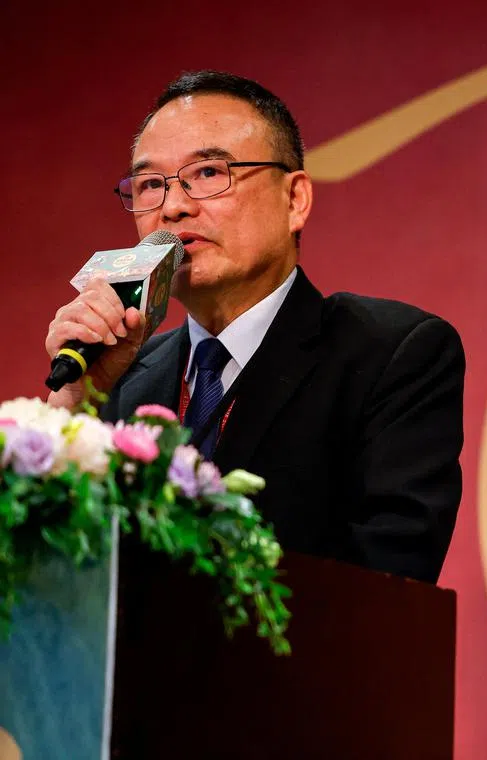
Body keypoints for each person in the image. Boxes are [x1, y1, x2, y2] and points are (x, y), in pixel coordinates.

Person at [44, 71, 464, 584]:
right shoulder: (119, 377)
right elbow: (52, 577)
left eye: (208, 173)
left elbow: (388, 586)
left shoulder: (390, 355)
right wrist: (74, 404)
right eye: (152, 184)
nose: (174, 207)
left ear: (295, 201)